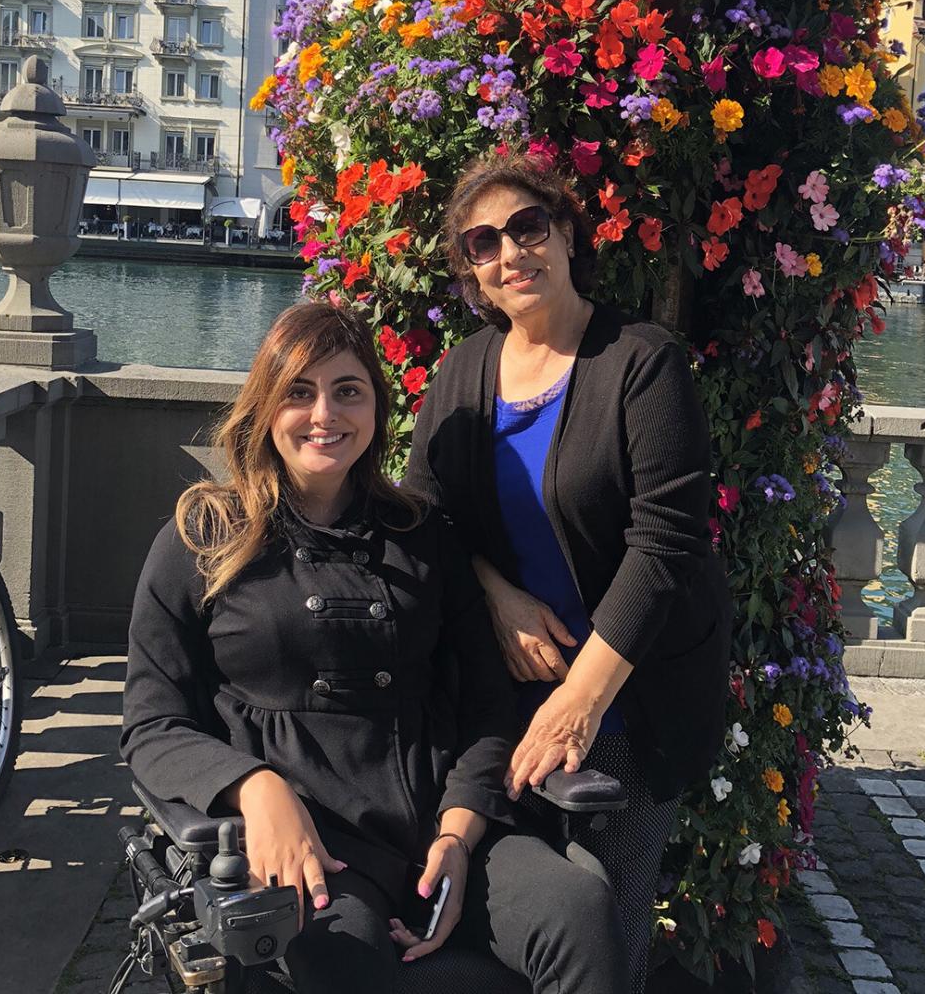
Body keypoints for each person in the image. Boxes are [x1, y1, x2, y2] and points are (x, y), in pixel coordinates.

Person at [121, 301, 629, 994]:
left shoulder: (423, 537)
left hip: (437, 826)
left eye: (347, 391)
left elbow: (486, 706)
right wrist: (254, 789)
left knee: (578, 910)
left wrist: (459, 832)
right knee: (342, 962)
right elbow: (152, 726)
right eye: (299, 392)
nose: (324, 414)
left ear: (376, 412)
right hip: (311, 847)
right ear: (265, 408)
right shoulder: (205, 536)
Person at [406, 153, 734, 993]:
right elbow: (424, 515)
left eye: (527, 226)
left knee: (608, 914)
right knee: (516, 915)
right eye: (484, 243)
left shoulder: (640, 361)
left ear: (564, 231)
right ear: (471, 271)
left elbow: (666, 543)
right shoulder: (464, 372)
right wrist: (497, 594)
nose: (511, 252)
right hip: (502, 701)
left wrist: (577, 707)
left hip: (626, 702)